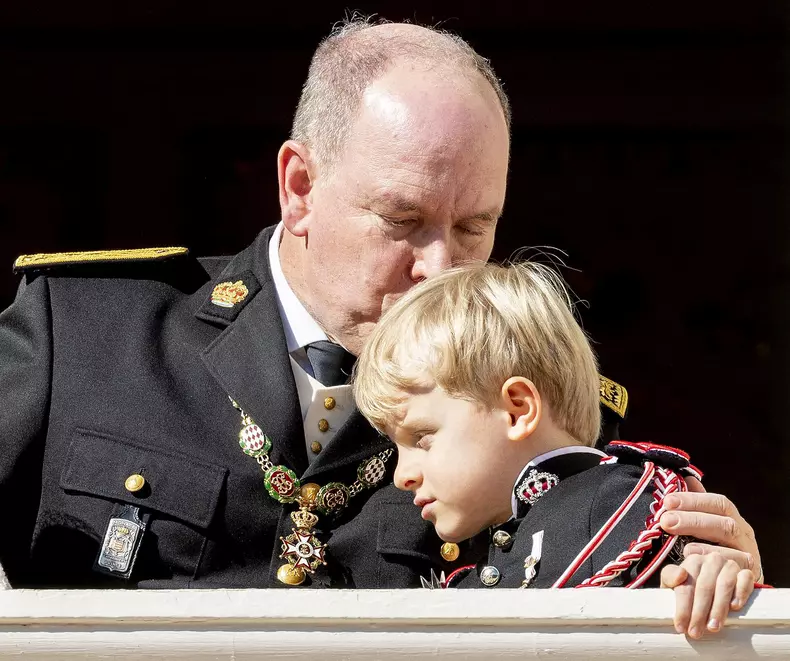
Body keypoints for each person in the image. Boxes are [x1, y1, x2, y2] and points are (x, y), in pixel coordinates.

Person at [0, 18, 761, 590]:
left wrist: (709, 582)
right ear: (300, 188)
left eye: (474, 227)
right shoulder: (85, 332)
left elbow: (622, 584)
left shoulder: (528, 405)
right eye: (403, 221)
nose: (439, 267)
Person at [353, 260, 756, 636]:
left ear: (518, 410)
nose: (401, 475)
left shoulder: (618, 500)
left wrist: (707, 576)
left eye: (422, 439)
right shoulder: (493, 546)